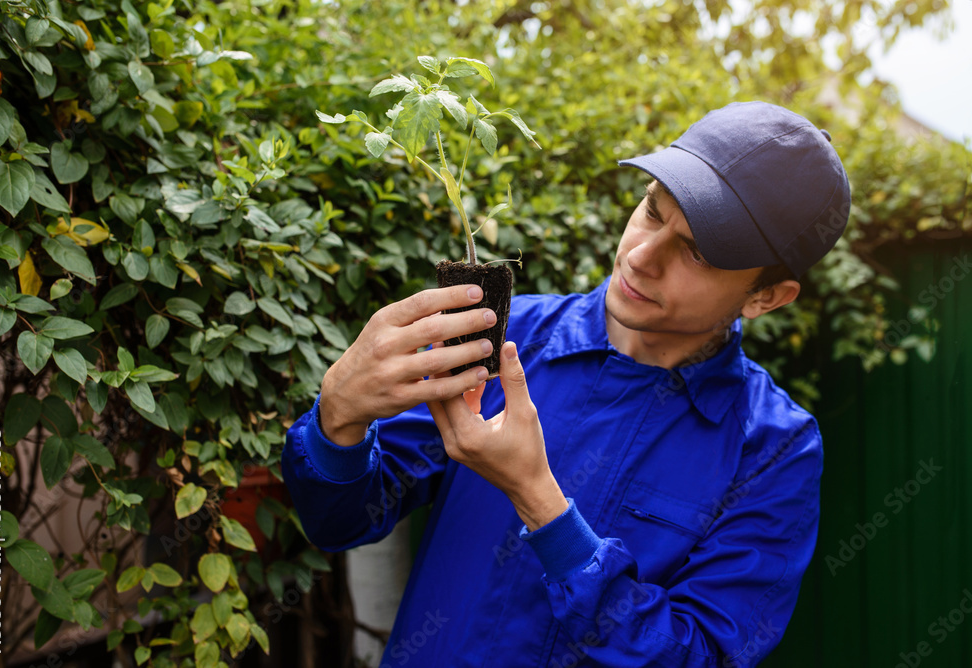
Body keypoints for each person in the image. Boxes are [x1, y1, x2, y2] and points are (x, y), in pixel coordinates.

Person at [282, 101, 851, 667]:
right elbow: (339, 522)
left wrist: (541, 503)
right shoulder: (509, 337)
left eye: (698, 252)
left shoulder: (773, 450)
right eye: (652, 210)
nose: (642, 256)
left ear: (765, 297)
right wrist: (339, 419)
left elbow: (699, 657)